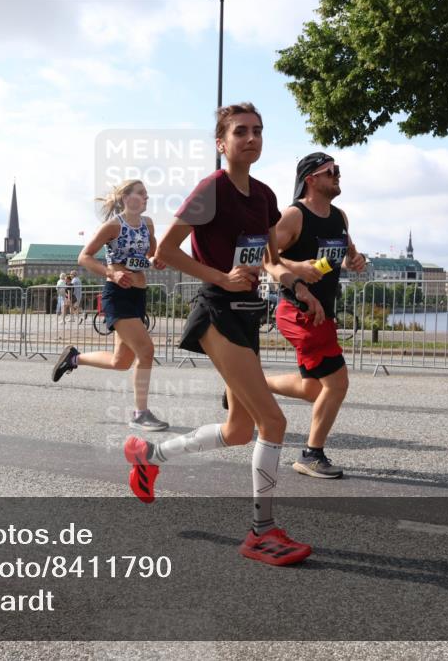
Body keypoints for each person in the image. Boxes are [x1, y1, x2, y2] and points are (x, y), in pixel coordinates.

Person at [122, 103, 312, 566]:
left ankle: (149, 456)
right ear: (221, 143)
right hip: (216, 313)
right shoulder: (212, 189)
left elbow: (268, 260)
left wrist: (297, 280)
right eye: (241, 132)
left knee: (239, 428)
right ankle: (261, 533)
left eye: (258, 132)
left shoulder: (265, 196)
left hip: (247, 315)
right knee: (274, 423)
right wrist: (221, 277)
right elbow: (164, 250)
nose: (252, 139)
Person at [259, 151, 367, 479]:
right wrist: (298, 267)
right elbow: (265, 257)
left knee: (313, 389)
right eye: (330, 171)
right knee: (337, 383)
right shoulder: (294, 216)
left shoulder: (340, 217)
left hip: (325, 312)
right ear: (311, 179)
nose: (337, 176)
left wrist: (356, 261)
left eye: (338, 170)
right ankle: (311, 454)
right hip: (299, 310)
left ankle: (248, 387)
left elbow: (345, 257)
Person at [51, 180, 169, 432]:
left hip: (138, 294)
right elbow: (84, 256)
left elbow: (150, 255)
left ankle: (74, 358)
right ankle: (141, 414)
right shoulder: (113, 225)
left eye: (147, 195)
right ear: (126, 198)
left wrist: (155, 262)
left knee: (121, 362)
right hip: (117, 293)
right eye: (141, 194)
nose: (146, 198)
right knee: (146, 350)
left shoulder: (148, 224)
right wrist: (111, 273)